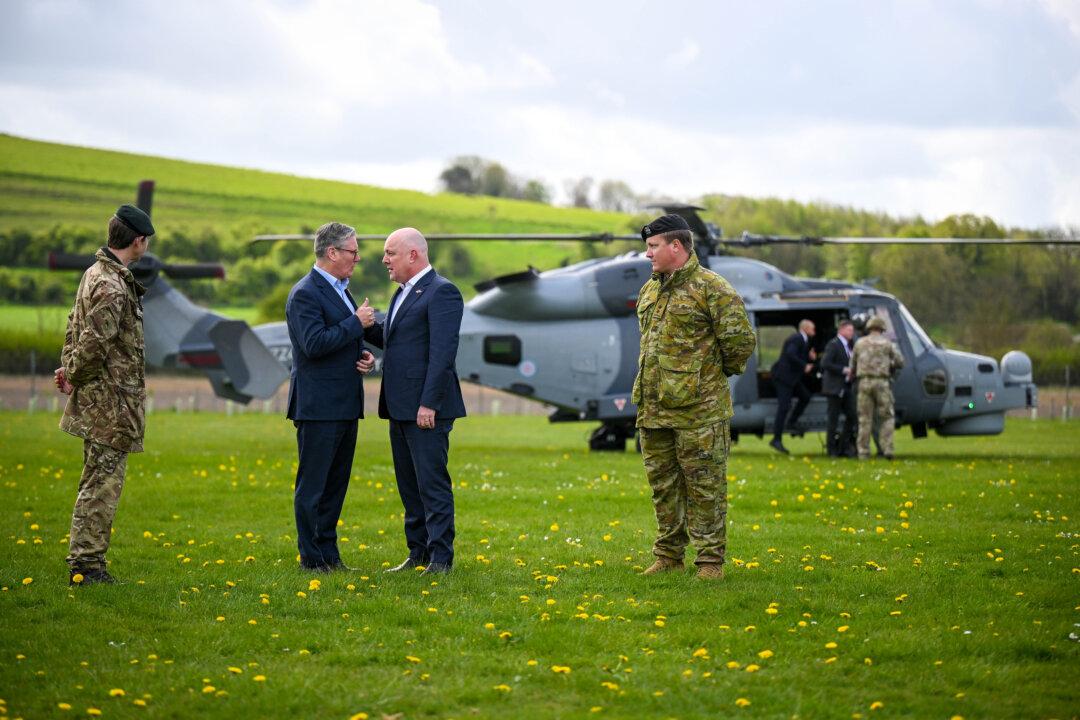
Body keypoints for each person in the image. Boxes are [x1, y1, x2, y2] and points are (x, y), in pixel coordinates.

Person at [632, 214, 756, 580]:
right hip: (653, 409)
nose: (647, 254)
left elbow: (739, 343)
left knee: (705, 487)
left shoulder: (712, 288)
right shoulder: (650, 288)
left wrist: (708, 381)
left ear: (676, 246)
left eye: (653, 247)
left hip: (700, 413)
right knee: (663, 487)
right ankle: (668, 556)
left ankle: (709, 562)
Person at [54, 204, 156, 585]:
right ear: (138, 240)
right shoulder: (113, 286)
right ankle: (87, 565)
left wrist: (68, 369)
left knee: (95, 479)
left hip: (100, 397)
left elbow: (73, 327)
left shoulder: (94, 273)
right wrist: (75, 373)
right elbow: (95, 342)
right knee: (102, 485)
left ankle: (86, 559)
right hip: (109, 403)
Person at [359, 228, 466, 576]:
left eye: (390, 253)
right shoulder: (401, 293)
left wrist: (429, 404)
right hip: (399, 407)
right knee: (409, 486)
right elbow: (395, 338)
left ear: (413, 255)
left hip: (425, 409)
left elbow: (442, 353)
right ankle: (417, 553)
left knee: (431, 485)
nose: (384, 259)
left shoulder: (442, 292)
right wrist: (362, 324)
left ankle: (440, 560)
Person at [285, 221, 376, 572]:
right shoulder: (306, 292)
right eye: (353, 251)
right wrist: (357, 324)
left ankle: (330, 556)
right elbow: (313, 343)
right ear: (332, 252)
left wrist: (362, 354)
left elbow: (336, 341)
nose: (358, 257)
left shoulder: (342, 289)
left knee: (335, 486)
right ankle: (311, 559)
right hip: (318, 407)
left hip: (344, 404)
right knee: (314, 487)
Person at [850, 315, 904, 459]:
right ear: (882, 329)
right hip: (882, 383)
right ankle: (887, 449)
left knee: (864, 418)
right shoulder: (887, 344)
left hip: (864, 383)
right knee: (886, 417)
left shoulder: (860, 343)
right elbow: (900, 362)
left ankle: (863, 451)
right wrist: (888, 365)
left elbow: (852, 365)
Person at [769, 319, 816, 454]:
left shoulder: (803, 340)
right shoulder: (797, 338)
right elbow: (790, 354)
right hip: (784, 378)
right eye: (812, 328)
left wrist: (809, 357)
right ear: (806, 328)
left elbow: (796, 355)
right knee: (783, 407)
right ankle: (776, 439)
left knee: (805, 397)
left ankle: (791, 422)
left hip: (792, 379)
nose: (814, 331)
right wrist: (804, 365)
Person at [821, 320, 857, 457]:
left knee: (852, 416)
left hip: (846, 386)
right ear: (841, 330)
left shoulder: (849, 345)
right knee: (833, 419)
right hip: (834, 388)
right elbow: (825, 363)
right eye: (849, 330)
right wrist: (843, 370)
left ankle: (843, 445)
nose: (851, 333)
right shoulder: (834, 344)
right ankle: (832, 450)